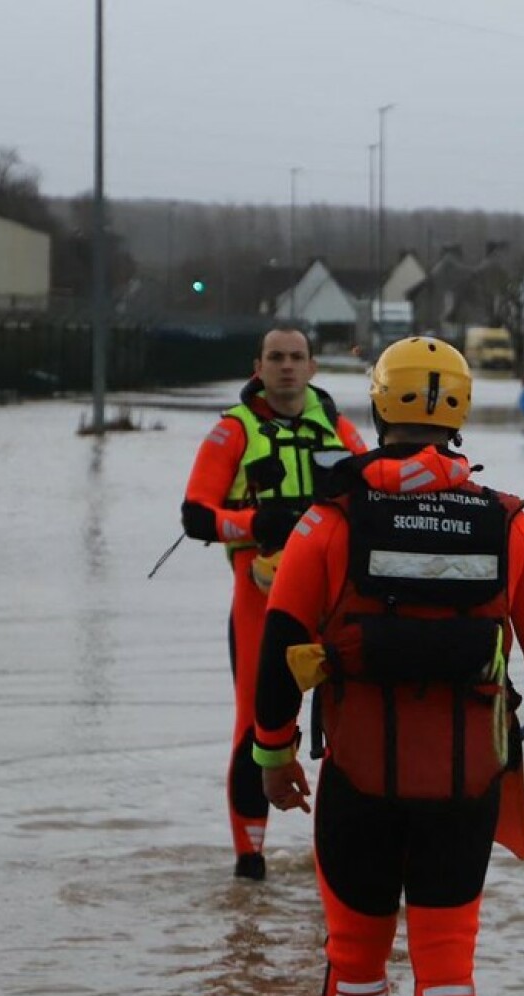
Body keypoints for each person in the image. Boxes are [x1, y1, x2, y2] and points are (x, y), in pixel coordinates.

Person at [251, 336, 524, 996]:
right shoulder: (509, 524)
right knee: (446, 967)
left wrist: (272, 755)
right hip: (465, 786)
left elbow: (280, 645)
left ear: (375, 407)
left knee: (356, 960)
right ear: (459, 415)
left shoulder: (329, 520)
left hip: (357, 781)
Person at [179, 327, 369, 880]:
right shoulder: (232, 431)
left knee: (343, 723)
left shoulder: (339, 429)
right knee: (252, 723)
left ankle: (335, 853)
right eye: (276, 358)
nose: (287, 367)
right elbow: (195, 515)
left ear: (312, 368)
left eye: (296, 358)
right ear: (257, 366)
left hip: (330, 596)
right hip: (256, 592)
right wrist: (257, 523)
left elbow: (377, 498)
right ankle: (249, 861)